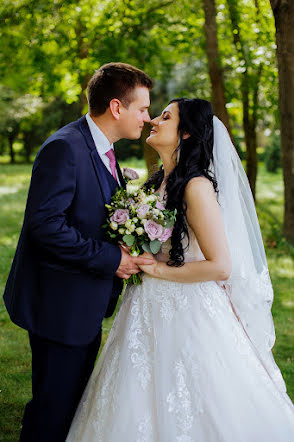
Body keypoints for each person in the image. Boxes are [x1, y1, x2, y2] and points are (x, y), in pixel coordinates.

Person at [66, 98, 294, 442]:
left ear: (185, 134)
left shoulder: (196, 187)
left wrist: (156, 272)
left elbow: (220, 266)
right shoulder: (159, 180)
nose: (153, 120)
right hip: (145, 308)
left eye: (165, 117)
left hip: (188, 309)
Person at [3, 62, 155, 442]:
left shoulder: (104, 150)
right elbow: (45, 227)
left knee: (72, 408)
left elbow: (88, 212)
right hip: (59, 306)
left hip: (83, 304)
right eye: (143, 109)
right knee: (52, 412)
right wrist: (113, 259)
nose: (148, 118)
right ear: (117, 108)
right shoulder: (64, 148)